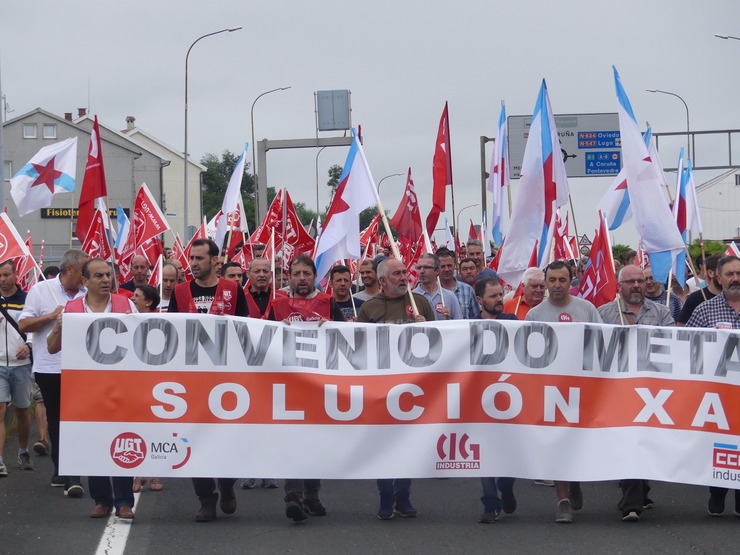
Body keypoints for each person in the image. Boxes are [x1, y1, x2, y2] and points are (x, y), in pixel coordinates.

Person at [47, 258, 137, 519]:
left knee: (121, 440)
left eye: (109, 275)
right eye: (99, 275)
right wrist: (59, 327)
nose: (106, 279)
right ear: (85, 282)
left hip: (120, 385)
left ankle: (124, 501)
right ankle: (102, 500)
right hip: (85, 388)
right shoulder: (72, 309)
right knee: (94, 443)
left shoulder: (125, 305)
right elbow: (52, 347)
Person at [168, 238, 248, 522]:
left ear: (215, 261)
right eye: (192, 258)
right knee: (192, 439)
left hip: (227, 380)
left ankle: (226, 483)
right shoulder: (179, 291)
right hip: (190, 381)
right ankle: (206, 498)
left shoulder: (233, 290)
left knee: (228, 438)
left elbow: (247, 330)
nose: (194, 264)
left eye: (200, 258)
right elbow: (171, 333)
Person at [268, 254, 345, 522]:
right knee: (292, 440)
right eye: (296, 273)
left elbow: (348, 339)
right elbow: (260, 338)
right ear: (289, 276)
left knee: (316, 441)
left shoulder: (329, 303)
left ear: (315, 277)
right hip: (287, 384)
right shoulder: (277, 304)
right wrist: (274, 330)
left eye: (306, 273)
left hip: (320, 384)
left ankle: (312, 493)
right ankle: (293, 495)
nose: (301, 278)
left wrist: (333, 329)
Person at [356, 258, 435, 520]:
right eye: (397, 274)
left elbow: (440, 342)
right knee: (382, 445)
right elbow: (358, 348)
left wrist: (427, 329)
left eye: (405, 272)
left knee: (406, 444)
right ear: (382, 281)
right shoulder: (369, 308)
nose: (404, 277)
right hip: (381, 388)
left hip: (414, 388)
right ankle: (385, 495)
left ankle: (403, 496)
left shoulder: (419, 303)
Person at [526, 260, 603, 524]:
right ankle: (563, 500)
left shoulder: (587, 309)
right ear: (545, 282)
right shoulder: (534, 315)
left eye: (562, 280)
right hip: (551, 391)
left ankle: (575, 480)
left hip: (584, 389)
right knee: (557, 444)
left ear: (571, 282)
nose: (557, 285)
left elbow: (602, 344)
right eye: (552, 280)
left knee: (578, 443)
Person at [598, 264, 674, 522]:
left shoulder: (662, 313)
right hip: (618, 391)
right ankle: (631, 504)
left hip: (654, 391)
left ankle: (641, 488)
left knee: (646, 441)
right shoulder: (604, 314)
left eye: (640, 281)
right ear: (619, 286)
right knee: (629, 441)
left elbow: (674, 347)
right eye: (630, 282)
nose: (637, 286)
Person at [19, 249, 88, 497]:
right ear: (70, 269)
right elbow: (24, 324)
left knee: (77, 420)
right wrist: (52, 316)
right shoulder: (41, 290)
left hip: (82, 368)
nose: (88, 274)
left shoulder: (87, 293)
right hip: (50, 367)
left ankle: (71, 470)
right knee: (58, 421)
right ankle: (64, 470)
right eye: (84, 269)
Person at [686, 255, 740, 517]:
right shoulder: (704, 310)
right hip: (718, 395)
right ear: (718, 277)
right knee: (721, 445)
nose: (736, 279)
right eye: (729, 274)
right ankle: (717, 491)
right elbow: (688, 350)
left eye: (739, 273)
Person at [473, 278, 517, 523]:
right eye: (493, 296)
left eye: (501, 294)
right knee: (485, 452)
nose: (499, 299)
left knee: (508, 451)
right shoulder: (469, 325)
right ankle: (490, 503)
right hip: (479, 399)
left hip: (510, 397)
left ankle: (507, 485)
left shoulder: (513, 323)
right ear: (480, 300)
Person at [239, 257, 280, 490]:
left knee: (272, 422)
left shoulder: (281, 299)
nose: (262, 274)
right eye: (257, 271)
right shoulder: (239, 300)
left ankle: (270, 469)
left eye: (266, 270)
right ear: (249, 274)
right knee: (248, 422)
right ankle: (248, 468)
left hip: (275, 368)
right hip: (247, 368)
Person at [0, 260, 34, 476]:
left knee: (21, 410)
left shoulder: (26, 300)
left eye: (6, 275)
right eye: (0, 276)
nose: (3, 280)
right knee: (0, 408)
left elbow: (33, 326)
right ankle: (0, 459)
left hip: (21, 365)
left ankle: (23, 450)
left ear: (15, 275)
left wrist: (28, 345)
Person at [130, 284, 165, 493]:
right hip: (134, 381)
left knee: (155, 428)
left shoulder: (162, 322)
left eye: (137, 296)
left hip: (158, 381)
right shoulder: (126, 319)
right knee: (137, 427)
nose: (132, 299)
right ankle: (138, 472)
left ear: (149, 301)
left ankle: (153, 472)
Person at [412, 253, 462, 320]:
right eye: (419, 268)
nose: (422, 271)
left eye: (426, 267)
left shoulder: (450, 296)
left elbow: (459, 323)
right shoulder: (412, 297)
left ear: (437, 271)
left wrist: (449, 321)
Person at [676, 254, 721, 326]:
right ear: (710, 273)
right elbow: (681, 326)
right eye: (722, 271)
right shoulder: (695, 298)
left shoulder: (733, 298)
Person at [437, 248, 479, 319]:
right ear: (437, 268)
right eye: (443, 266)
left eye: (449, 265)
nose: (447, 269)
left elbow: (475, 318)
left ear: (454, 266)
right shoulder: (432, 292)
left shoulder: (467, 290)